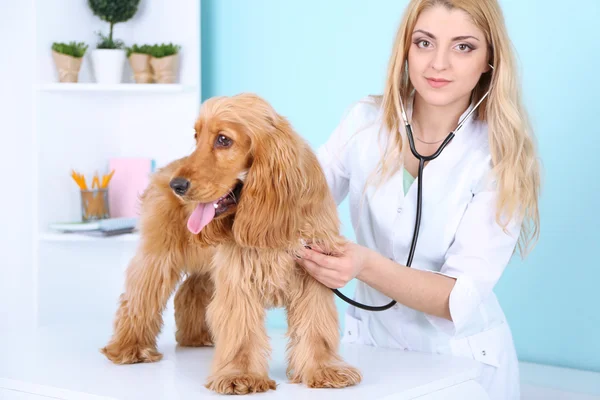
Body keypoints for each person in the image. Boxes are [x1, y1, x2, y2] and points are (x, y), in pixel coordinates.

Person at [296, 0, 541, 399]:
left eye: (463, 47)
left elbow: (455, 298)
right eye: (424, 43)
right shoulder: (364, 121)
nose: (438, 64)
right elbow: (301, 197)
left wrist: (363, 264)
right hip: (370, 351)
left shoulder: (499, 158)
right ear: (406, 50)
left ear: (489, 61)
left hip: (461, 365)